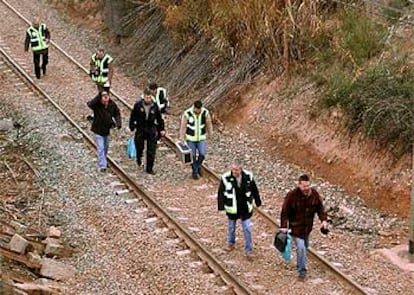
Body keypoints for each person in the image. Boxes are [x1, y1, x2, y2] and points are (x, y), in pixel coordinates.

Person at [280, 174, 328, 280]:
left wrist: (323, 220)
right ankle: (302, 271)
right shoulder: (292, 195)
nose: (306, 188)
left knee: (304, 248)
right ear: (299, 185)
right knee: (301, 248)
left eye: (308, 186)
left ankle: (299, 263)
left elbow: (320, 208)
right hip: (296, 228)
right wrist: (284, 226)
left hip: (307, 228)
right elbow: (284, 212)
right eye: (304, 186)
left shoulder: (314, 194)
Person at [218, 160, 262, 260]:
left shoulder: (248, 176)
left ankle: (249, 250)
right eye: (233, 169)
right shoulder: (225, 177)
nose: (234, 171)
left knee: (247, 229)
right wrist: (221, 206)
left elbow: (254, 189)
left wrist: (258, 201)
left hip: (245, 208)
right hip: (232, 208)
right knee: (231, 227)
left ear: (241, 169)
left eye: (236, 170)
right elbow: (221, 192)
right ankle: (230, 243)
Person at [129, 88, 165, 174]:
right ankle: (139, 157)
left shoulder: (155, 106)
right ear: (143, 96)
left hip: (151, 128)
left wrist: (162, 129)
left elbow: (159, 119)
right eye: (146, 97)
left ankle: (149, 168)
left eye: (149, 97)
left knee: (151, 150)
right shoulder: (138, 105)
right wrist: (132, 127)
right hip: (140, 128)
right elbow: (133, 116)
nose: (148, 99)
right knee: (139, 146)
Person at [87, 91, 121, 172]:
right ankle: (103, 165)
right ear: (100, 98)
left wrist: (118, 123)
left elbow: (117, 113)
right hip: (98, 130)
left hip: (106, 130)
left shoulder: (112, 105)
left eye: (107, 97)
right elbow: (90, 104)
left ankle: (103, 160)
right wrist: (99, 94)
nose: (105, 100)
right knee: (101, 147)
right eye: (103, 97)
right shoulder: (96, 105)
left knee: (105, 147)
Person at [179, 100, 213, 180]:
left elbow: (209, 123)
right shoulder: (187, 113)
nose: (198, 111)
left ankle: (197, 166)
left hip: (201, 138)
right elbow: (183, 126)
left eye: (199, 109)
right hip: (190, 138)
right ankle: (195, 172)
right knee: (192, 156)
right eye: (197, 109)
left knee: (202, 154)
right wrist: (181, 137)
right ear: (194, 107)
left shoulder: (205, 113)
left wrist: (210, 133)